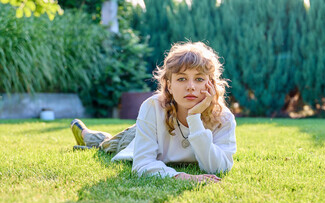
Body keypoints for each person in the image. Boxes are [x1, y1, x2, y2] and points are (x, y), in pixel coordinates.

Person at [71, 41, 237, 183]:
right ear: (169, 85)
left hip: (158, 134)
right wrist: (182, 176)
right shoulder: (152, 107)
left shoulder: (223, 118)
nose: (191, 86)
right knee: (108, 145)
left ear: (212, 84)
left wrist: (194, 117)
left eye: (199, 79)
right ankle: (85, 134)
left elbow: (218, 168)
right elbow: (142, 164)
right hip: (135, 136)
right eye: (181, 78)